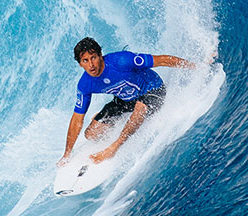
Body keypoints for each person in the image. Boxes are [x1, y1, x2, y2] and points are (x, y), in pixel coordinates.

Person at [58, 37, 195, 165]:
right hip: (126, 99)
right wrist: (67, 154)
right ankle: (111, 118)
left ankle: (114, 147)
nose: (91, 65)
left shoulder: (122, 60)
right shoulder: (85, 84)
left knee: (140, 108)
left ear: (100, 56)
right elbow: (77, 119)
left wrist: (195, 66)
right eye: (85, 61)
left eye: (93, 58)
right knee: (91, 134)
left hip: (152, 90)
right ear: (80, 64)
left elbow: (162, 60)